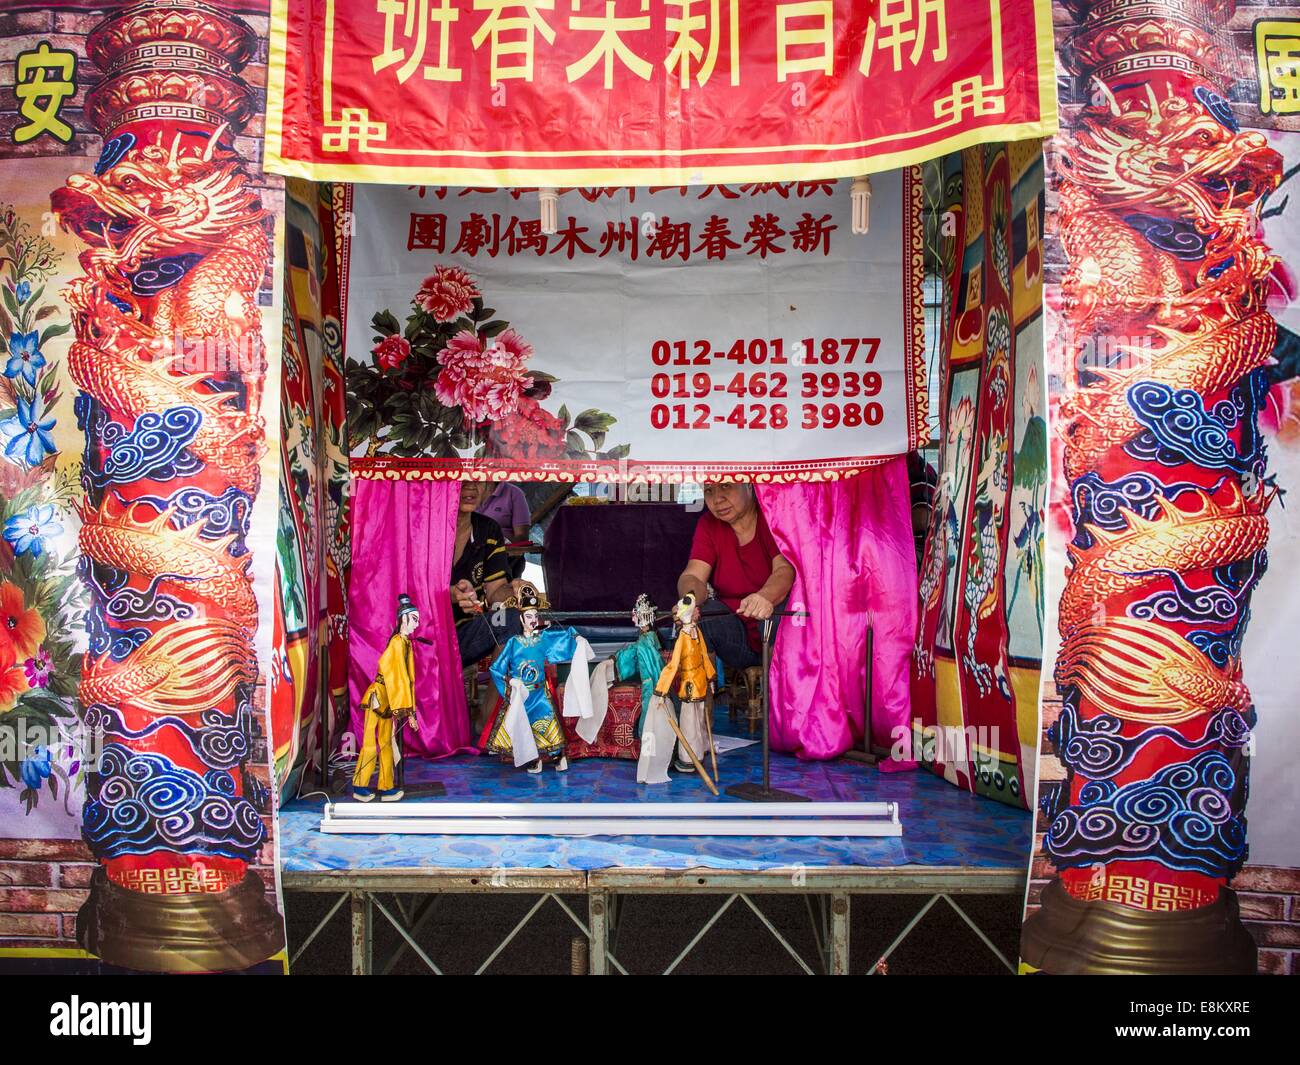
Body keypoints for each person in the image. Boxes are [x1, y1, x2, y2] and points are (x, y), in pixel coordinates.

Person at [676, 482, 796, 675]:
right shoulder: (708, 525)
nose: (717, 499)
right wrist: (688, 602)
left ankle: (779, 694)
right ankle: (705, 701)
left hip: (777, 634)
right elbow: (693, 575)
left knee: (778, 612)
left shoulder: (771, 515)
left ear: (749, 485)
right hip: (736, 639)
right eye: (709, 491)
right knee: (705, 614)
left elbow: (784, 569)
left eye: (725, 486)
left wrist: (764, 598)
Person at [352, 594, 420, 802]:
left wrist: (408, 709)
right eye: (414, 619)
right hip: (381, 696)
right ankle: (360, 785)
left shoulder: (404, 643)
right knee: (371, 742)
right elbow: (397, 679)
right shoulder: (398, 644)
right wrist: (408, 712)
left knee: (386, 742)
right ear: (404, 620)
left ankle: (386, 785)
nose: (417, 624)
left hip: (389, 699)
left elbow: (407, 680)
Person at [452, 481, 520, 666]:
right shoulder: (421, 528)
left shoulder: (488, 530)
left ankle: (498, 695)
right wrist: (451, 594)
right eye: (462, 479)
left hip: (462, 636)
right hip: (419, 633)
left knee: (509, 618)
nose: (471, 486)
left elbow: (495, 592)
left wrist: (515, 591)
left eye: (479, 479)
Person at [476, 480, 532, 578]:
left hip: (504, 557)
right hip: (469, 556)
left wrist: (496, 538)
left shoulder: (513, 493)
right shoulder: (461, 491)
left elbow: (522, 536)